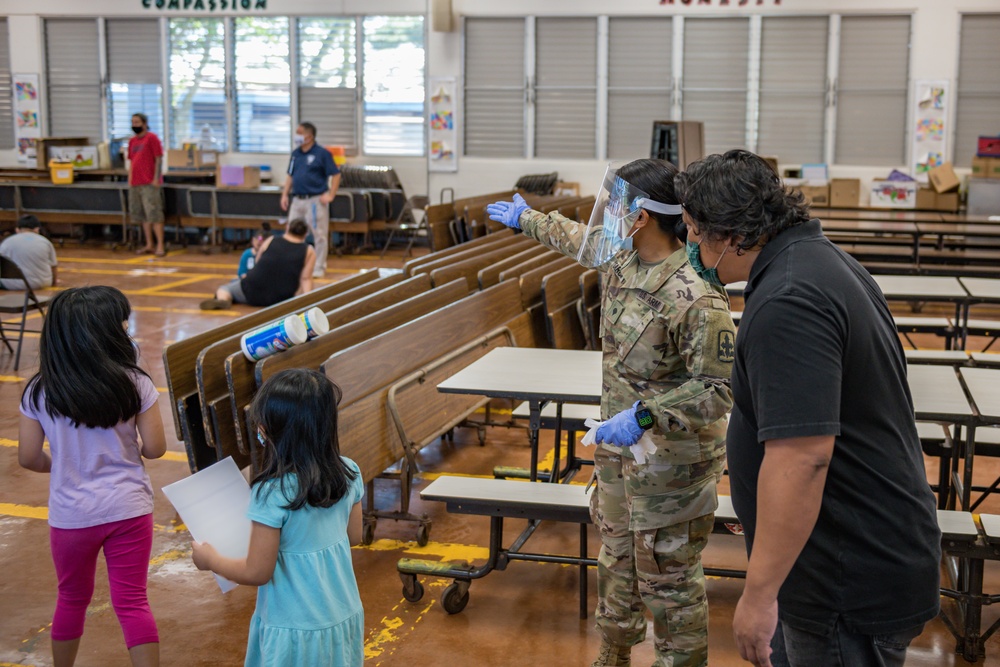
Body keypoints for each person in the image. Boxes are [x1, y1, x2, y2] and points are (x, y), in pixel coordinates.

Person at [674, 150, 941, 667]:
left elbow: (802, 460)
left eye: (693, 230)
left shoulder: (788, 300)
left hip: (842, 575)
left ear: (731, 234)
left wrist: (757, 596)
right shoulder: (819, 262)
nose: (689, 244)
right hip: (854, 551)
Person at [487, 159, 735, 667]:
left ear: (642, 216)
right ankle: (614, 653)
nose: (610, 214)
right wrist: (525, 218)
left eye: (618, 204)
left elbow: (717, 389)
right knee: (617, 560)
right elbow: (575, 238)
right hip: (620, 456)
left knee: (669, 581)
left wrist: (645, 416)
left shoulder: (694, 294)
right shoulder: (623, 256)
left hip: (671, 470)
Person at [17, 286, 167, 667]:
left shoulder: (39, 391)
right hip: (129, 508)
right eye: (122, 323)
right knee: (133, 602)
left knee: (71, 599)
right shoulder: (136, 383)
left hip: (71, 515)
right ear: (107, 333)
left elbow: (28, 457)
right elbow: (155, 448)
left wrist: (61, 465)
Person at [191, 368, 365, 667]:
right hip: (342, 615)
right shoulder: (349, 471)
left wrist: (210, 560)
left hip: (293, 628)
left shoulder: (272, 493)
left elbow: (257, 572)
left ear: (269, 431)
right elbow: (354, 536)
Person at [200, 218, 316, 310]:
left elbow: (258, 261)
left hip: (252, 290)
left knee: (225, 288)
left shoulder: (271, 240)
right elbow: (306, 278)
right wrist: (307, 303)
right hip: (282, 297)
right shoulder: (308, 250)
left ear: (287, 228)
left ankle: (224, 300)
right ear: (305, 234)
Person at [280, 121, 341, 279]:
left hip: (315, 200)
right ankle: (291, 265)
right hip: (297, 199)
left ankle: (319, 267)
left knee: (319, 235)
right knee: (290, 232)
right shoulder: (296, 154)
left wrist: (331, 195)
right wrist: (285, 194)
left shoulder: (322, 154)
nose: (297, 136)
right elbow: (290, 175)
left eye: (299, 133)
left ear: (309, 136)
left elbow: (336, 174)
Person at [128, 113, 165, 257]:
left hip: (149, 182)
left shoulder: (152, 138)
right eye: (132, 122)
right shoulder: (132, 141)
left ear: (144, 123)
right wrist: (130, 179)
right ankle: (149, 244)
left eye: (137, 122)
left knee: (154, 214)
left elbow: (158, 159)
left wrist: (156, 178)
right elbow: (132, 161)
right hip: (136, 182)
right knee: (142, 215)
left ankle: (160, 245)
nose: (134, 125)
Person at [0, 214, 58, 290]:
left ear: (17, 229)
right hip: (41, 283)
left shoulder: (7, 242)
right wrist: (53, 282)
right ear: (37, 229)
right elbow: (53, 266)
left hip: (11, 285)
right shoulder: (45, 242)